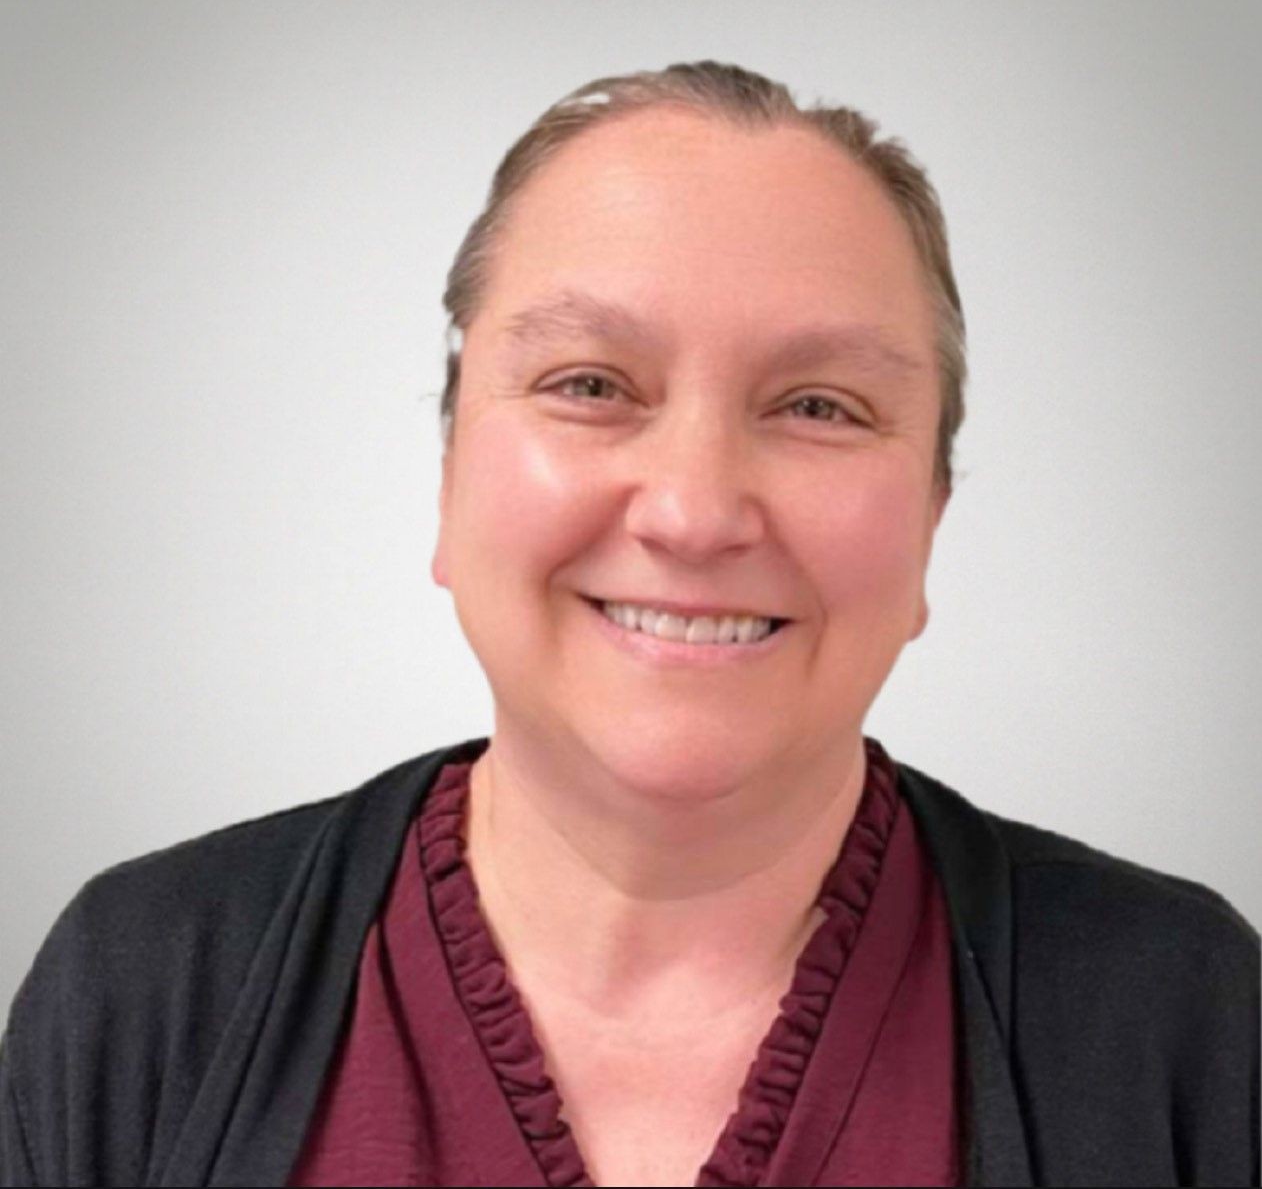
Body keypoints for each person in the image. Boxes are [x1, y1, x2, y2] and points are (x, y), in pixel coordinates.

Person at [1, 62, 1256, 1189]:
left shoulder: (1183, 1019)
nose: (696, 512)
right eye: (590, 385)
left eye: (818, 405)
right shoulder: (145, 989)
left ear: (929, 514)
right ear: (450, 479)